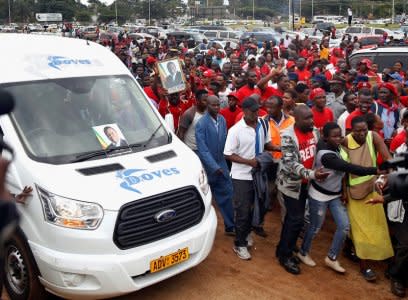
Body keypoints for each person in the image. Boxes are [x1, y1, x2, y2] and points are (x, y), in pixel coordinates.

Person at [297, 122, 378, 273]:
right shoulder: (327, 156)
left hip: (334, 195)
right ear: (326, 138)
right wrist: (375, 170)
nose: (338, 138)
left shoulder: (336, 147)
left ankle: (331, 258)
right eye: (334, 136)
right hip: (319, 196)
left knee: (344, 226)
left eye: (340, 135)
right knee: (315, 228)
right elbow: (350, 168)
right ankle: (303, 252)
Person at [276, 105, 329, 274]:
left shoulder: (313, 131)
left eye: (311, 117)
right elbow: (291, 164)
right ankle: (285, 256)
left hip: (307, 182)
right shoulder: (287, 136)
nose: (311, 121)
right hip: (292, 184)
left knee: (294, 219)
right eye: (307, 118)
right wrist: (313, 174)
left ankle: (283, 248)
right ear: (296, 120)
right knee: (296, 219)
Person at [224, 97, 278, 260]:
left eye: (258, 110)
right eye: (254, 111)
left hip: (258, 174)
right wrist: (249, 162)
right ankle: (239, 244)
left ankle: (246, 233)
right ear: (245, 111)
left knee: (257, 207)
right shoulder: (236, 130)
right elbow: (227, 154)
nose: (257, 113)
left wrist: (278, 148)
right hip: (242, 177)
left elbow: (265, 143)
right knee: (242, 211)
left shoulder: (263, 124)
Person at [340, 116, 394, 282]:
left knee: (379, 227)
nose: (362, 133)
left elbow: (388, 159)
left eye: (364, 130)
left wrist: (386, 177)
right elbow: (344, 170)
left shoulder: (374, 136)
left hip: (373, 188)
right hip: (354, 192)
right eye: (358, 131)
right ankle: (364, 266)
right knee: (360, 231)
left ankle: (385, 258)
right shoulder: (345, 142)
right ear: (351, 131)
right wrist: (344, 192)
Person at [196, 95, 235, 235]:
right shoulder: (201, 124)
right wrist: (214, 167)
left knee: (228, 194)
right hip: (208, 167)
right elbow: (203, 150)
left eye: (218, 105)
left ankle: (230, 226)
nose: (217, 108)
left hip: (221, 164)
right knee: (205, 199)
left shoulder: (222, 120)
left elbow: (225, 141)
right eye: (214, 105)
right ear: (207, 105)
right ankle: (200, 230)